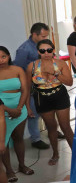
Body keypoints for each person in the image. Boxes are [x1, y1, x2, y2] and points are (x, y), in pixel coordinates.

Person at [26, 39, 74, 166]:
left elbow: (69, 82)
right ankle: (55, 154)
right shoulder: (32, 66)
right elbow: (26, 87)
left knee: (65, 127)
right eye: (42, 50)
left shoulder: (60, 64)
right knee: (51, 127)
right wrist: (27, 106)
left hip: (60, 95)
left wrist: (55, 73)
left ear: (53, 50)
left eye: (49, 50)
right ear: (38, 51)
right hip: (42, 98)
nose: (46, 53)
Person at [13, 22, 50, 150]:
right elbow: (18, 69)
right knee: (33, 112)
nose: (46, 39)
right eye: (43, 36)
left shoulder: (44, 46)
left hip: (46, 84)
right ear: (34, 34)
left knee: (48, 109)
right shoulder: (24, 49)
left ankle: (51, 131)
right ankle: (35, 138)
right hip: (32, 86)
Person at [0, 46, 34, 183]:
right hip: (2, 110)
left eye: (3, 56)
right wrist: (8, 110)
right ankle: (8, 170)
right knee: (4, 141)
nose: (1, 60)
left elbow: (25, 90)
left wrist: (20, 108)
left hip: (20, 109)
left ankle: (22, 165)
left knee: (18, 138)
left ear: (8, 56)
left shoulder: (18, 70)